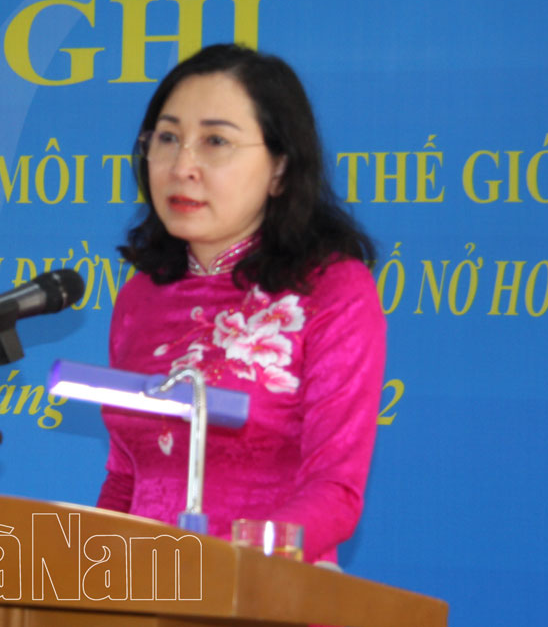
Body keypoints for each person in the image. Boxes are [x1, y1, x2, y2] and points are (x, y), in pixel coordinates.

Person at [96, 43, 386, 566]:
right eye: (168, 138)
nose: (183, 166)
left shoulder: (332, 289)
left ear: (280, 168)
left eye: (215, 141)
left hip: (266, 590)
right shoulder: (141, 296)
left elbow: (335, 491)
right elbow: (125, 478)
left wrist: (222, 570)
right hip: (145, 593)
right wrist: (88, 575)